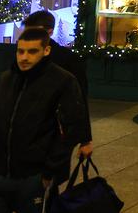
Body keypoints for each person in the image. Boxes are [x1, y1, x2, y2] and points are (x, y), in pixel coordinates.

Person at [0, 27, 89, 213]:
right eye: (21, 51)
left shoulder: (62, 81)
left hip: (34, 176)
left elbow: (71, 127)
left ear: (46, 51)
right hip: (1, 172)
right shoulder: (6, 79)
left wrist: (49, 171)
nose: (24, 57)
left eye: (32, 52)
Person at [21, 10, 92, 147]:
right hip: (25, 130)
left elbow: (80, 99)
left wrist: (85, 140)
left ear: (50, 32)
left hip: (57, 133)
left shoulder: (68, 60)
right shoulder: (22, 56)